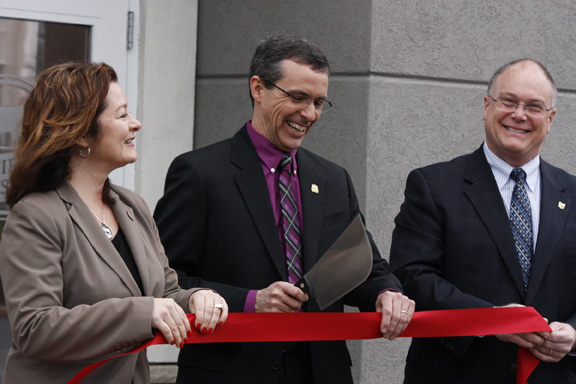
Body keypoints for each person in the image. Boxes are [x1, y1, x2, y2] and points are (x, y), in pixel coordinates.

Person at [154, 35, 415, 384]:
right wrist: (251, 301)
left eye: (319, 102)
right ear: (258, 88)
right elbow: (163, 279)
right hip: (231, 373)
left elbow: (359, 265)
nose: (309, 114)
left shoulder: (333, 178)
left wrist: (388, 293)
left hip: (322, 372)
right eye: (297, 97)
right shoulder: (200, 174)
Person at [0, 62, 229, 384]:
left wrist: (195, 298)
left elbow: (165, 291)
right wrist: (142, 313)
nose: (136, 124)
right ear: (80, 134)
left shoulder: (132, 205)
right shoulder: (35, 216)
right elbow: (34, 329)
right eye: (122, 115)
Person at [389, 58, 576, 383]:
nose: (519, 114)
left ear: (550, 119)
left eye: (534, 106)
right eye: (509, 101)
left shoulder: (573, 194)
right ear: (487, 106)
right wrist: (489, 319)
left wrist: (574, 332)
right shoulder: (432, 186)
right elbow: (412, 276)